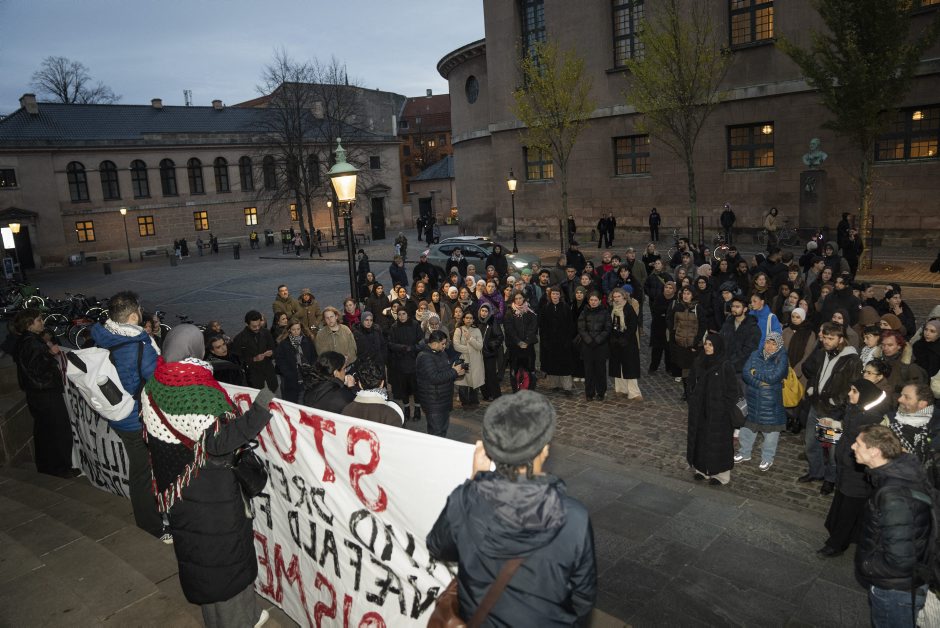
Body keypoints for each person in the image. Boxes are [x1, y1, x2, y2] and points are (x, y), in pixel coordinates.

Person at [140, 325, 273, 628]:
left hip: (178, 484)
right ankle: (239, 622)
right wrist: (259, 410)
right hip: (210, 489)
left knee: (201, 555)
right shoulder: (195, 388)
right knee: (225, 555)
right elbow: (217, 442)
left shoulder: (155, 383)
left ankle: (224, 619)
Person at [426, 391, 597, 626]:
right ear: (544, 449)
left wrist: (475, 480)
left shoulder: (465, 500)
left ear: (490, 449)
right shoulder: (574, 517)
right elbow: (583, 599)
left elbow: (438, 547)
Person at [90, 291, 164, 539]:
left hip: (117, 413)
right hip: (135, 419)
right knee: (143, 472)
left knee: (141, 468)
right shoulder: (138, 345)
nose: (142, 313)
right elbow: (158, 382)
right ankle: (151, 525)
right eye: (140, 310)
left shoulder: (104, 334)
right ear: (133, 316)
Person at [852, 424, 931, 626]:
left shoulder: (894, 497)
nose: (853, 447)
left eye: (858, 444)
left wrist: (867, 565)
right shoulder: (896, 475)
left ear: (874, 451)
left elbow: (901, 561)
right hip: (899, 586)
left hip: (895, 592)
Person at [817, 379, 890, 559]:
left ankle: (837, 544)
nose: (850, 393)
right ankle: (842, 536)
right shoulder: (855, 410)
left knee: (848, 510)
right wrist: (833, 427)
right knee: (842, 504)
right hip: (846, 466)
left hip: (858, 472)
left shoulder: (872, 419)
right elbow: (847, 433)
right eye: (851, 389)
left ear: (865, 396)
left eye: (854, 391)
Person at [12, 309, 77, 478]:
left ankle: (48, 467)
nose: (43, 322)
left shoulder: (27, 340)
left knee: (45, 431)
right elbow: (36, 368)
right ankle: (61, 469)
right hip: (45, 393)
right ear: (29, 324)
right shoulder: (31, 343)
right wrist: (50, 353)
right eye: (39, 320)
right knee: (58, 430)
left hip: (38, 394)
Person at [799, 322, 861, 494]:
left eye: (831, 338)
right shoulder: (823, 353)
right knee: (811, 444)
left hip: (832, 410)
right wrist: (812, 389)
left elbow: (853, 386)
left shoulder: (851, 360)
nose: (826, 341)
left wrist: (836, 401)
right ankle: (816, 472)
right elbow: (815, 373)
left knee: (831, 450)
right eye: (825, 337)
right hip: (816, 405)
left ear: (841, 339)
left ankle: (830, 479)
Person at [687, 333, 738, 485]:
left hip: (719, 414)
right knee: (701, 441)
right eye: (706, 344)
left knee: (719, 444)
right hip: (700, 410)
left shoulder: (725, 365)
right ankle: (702, 470)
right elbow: (690, 382)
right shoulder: (699, 361)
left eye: (711, 345)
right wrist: (692, 398)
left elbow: (733, 392)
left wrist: (723, 409)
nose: (707, 347)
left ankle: (721, 475)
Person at [735, 332, 789, 471]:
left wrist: (755, 373)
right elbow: (746, 373)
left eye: (773, 344)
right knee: (748, 428)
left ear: (778, 345)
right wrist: (759, 383)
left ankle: (767, 458)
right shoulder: (755, 354)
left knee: (771, 433)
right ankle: (744, 453)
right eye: (767, 342)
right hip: (752, 398)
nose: (769, 346)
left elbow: (773, 377)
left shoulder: (782, 358)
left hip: (771, 402)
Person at [416, 330, 464, 437]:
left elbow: (445, 372)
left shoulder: (441, 353)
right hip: (433, 402)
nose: (444, 346)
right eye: (443, 344)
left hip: (443, 399)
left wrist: (457, 373)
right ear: (434, 343)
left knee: (443, 429)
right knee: (436, 432)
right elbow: (434, 378)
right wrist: (454, 371)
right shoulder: (424, 357)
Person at [885, 383, 937, 465]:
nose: (899, 399)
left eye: (907, 397)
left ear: (922, 404)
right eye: (901, 395)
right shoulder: (889, 419)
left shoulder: (936, 425)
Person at [341, 357, 404, 426]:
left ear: (360, 384)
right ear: (382, 383)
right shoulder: (393, 413)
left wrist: (352, 387)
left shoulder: (347, 410)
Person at [387, 307, 424, 421]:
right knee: (404, 389)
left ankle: (417, 410)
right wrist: (402, 348)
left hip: (414, 361)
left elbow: (422, 341)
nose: (401, 316)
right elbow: (390, 343)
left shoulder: (415, 325)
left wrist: (413, 348)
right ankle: (406, 409)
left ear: (408, 314)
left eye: (404, 314)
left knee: (416, 388)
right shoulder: (394, 327)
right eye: (399, 314)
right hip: (400, 362)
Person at [538, 287, 575, 394]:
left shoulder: (566, 307)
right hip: (550, 342)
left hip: (564, 341)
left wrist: (568, 340)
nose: (555, 296)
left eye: (557, 294)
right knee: (552, 364)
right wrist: (545, 341)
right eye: (553, 294)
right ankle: (554, 385)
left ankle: (567, 387)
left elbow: (570, 325)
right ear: (550, 295)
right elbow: (542, 326)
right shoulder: (545, 308)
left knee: (565, 366)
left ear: (560, 295)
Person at [608, 287, 643, 401]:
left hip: (628, 342)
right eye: (614, 297)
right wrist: (613, 338)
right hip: (615, 342)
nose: (616, 299)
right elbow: (609, 324)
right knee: (617, 366)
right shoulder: (611, 308)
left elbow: (633, 326)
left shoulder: (628, 308)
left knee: (630, 366)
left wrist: (625, 338)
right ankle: (621, 389)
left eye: (619, 296)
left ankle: (634, 392)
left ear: (624, 296)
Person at [232, 310, 278, 392]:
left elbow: (274, 349)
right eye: (254, 326)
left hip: (269, 374)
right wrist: (254, 359)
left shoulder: (266, 333)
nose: (257, 328)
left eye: (259, 325)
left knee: (273, 392)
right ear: (247, 324)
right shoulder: (239, 339)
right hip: (253, 377)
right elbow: (237, 361)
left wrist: (272, 353)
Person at [578, 291, 611, 401]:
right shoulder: (584, 312)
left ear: (600, 301)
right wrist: (589, 340)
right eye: (591, 300)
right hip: (587, 346)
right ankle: (589, 393)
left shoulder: (605, 313)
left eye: (595, 300)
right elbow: (581, 328)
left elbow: (607, 329)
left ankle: (601, 392)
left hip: (600, 346)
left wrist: (597, 340)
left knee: (601, 371)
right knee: (588, 371)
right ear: (588, 301)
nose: (593, 302)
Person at [273, 320, 315, 404]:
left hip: (307, 377)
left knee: (307, 401)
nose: (296, 332)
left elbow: (314, 356)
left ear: (301, 329)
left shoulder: (307, 341)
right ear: (289, 330)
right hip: (291, 379)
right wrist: (288, 373)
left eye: (298, 329)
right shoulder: (284, 344)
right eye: (293, 329)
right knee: (293, 402)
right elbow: (280, 360)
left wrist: (312, 370)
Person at [504, 291, 538, 391]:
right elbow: (509, 329)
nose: (518, 300)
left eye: (520, 298)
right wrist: (518, 342)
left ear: (524, 298)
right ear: (513, 300)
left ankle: (530, 390)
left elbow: (533, 327)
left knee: (530, 369)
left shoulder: (530, 311)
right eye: (516, 298)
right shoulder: (509, 312)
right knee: (514, 370)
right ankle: (516, 390)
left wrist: (527, 341)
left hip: (528, 346)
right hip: (515, 346)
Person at [453, 311, 484, 408]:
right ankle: (465, 402)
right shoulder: (459, 330)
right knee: (463, 382)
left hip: (475, 360)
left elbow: (480, 346)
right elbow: (456, 346)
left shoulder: (477, 330)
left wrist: (470, 339)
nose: (469, 320)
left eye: (471, 318)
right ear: (463, 319)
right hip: (463, 359)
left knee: (474, 381)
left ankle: (474, 401)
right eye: (467, 318)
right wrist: (472, 349)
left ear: (473, 320)